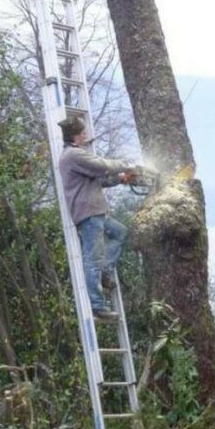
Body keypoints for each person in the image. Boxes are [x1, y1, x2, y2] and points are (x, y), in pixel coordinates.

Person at [57, 115, 131, 321]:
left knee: (120, 233)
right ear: (75, 136)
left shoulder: (75, 155)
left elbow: (99, 180)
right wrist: (127, 165)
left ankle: (106, 271)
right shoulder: (73, 155)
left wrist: (121, 178)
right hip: (88, 213)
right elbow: (102, 166)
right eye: (83, 132)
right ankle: (98, 306)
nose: (86, 135)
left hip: (95, 211)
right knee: (93, 258)